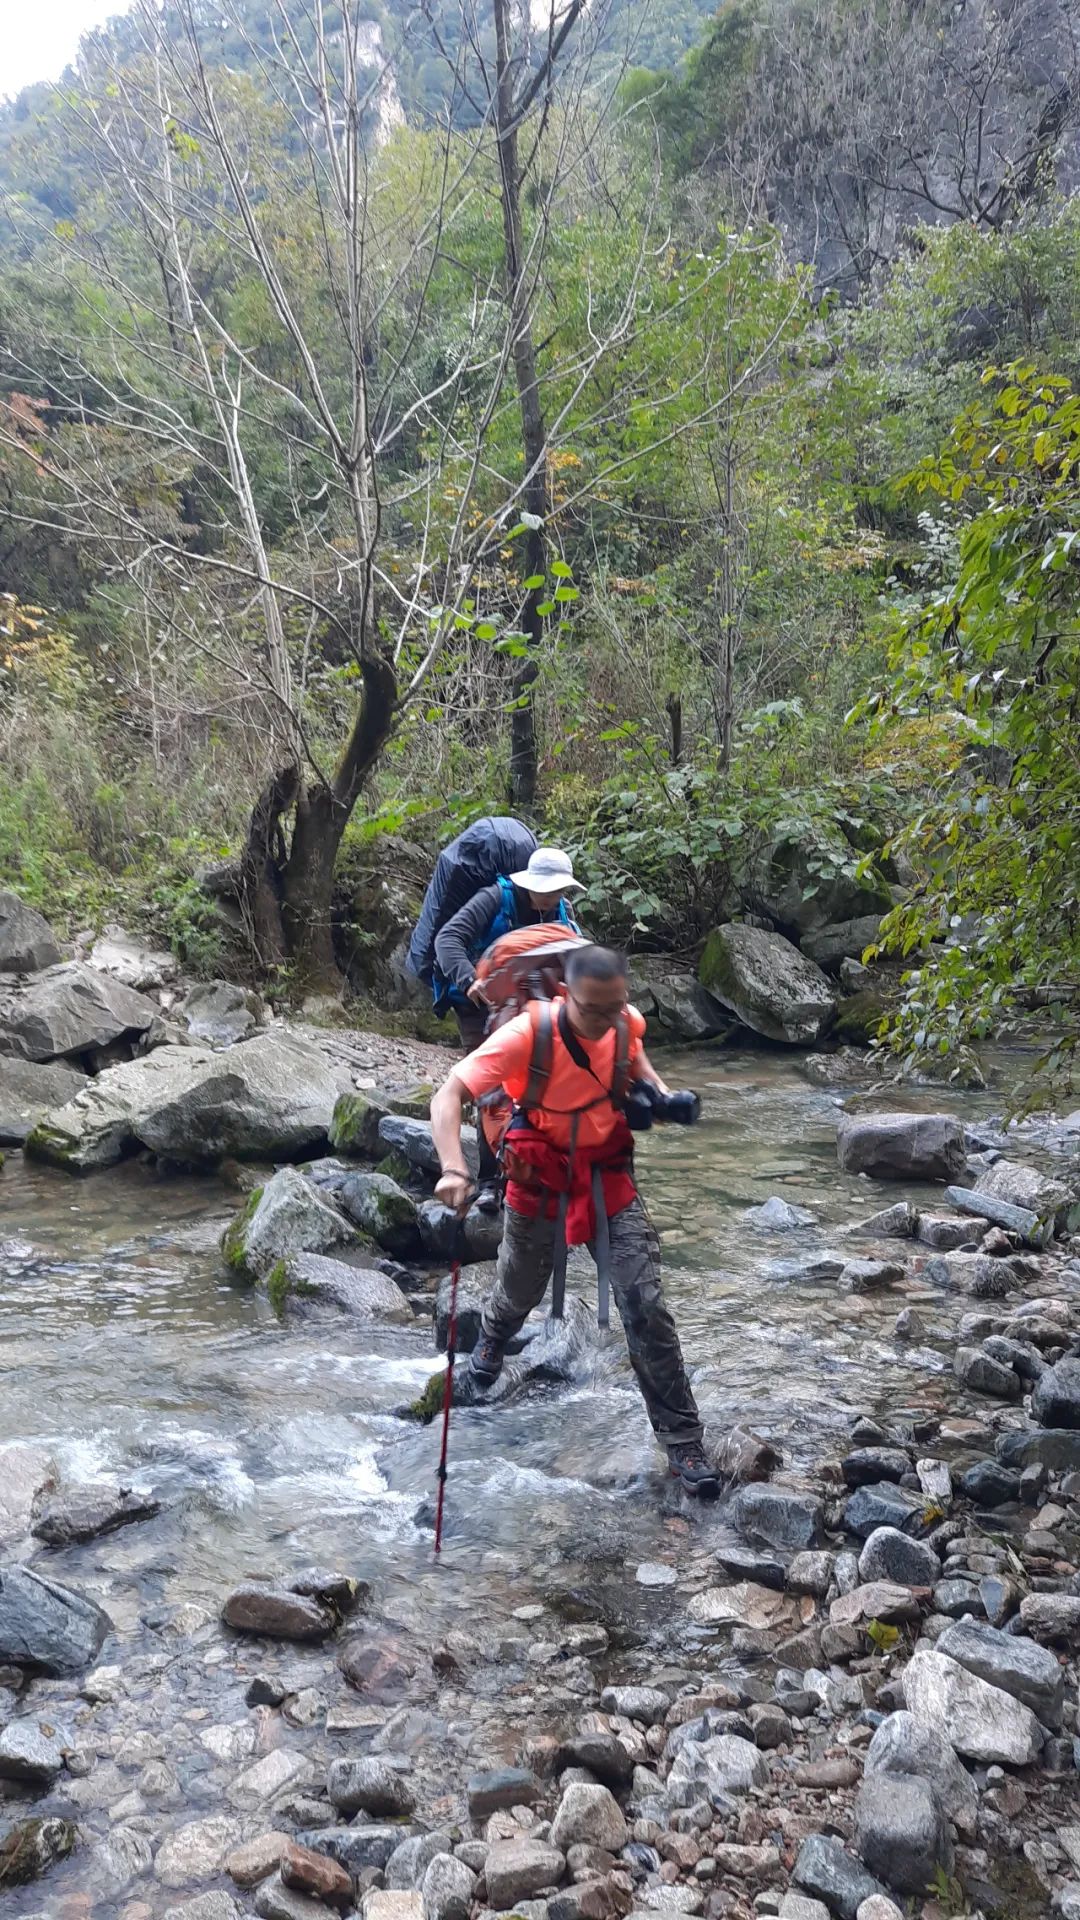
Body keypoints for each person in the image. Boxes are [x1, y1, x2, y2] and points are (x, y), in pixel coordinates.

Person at [429, 944, 718, 1496]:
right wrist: (452, 1167)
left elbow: (635, 1063)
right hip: (538, 1177)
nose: (608, 1021)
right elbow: (450, 1094)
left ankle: (682, 1441)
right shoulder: (527, 1037)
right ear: (567, 995)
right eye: (594, 1011)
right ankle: (493, 1335)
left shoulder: (622, 1022)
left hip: (607, 1177)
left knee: (645, 1303)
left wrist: (661, 1098)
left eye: (617, 1008)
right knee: (519, 1286)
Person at [435, 846, 585, 1210]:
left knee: (533, 1084)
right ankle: (489, 1181)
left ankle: (529, 1167)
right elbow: (447, 939)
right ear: (529, 882)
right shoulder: (493, 899)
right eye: (546, 889)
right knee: (490, 1088)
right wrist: (469, 979)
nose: (551, 897)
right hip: (478, 1003)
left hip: (533, 1006)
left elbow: (581, 955)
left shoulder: (562, 913)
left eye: (559, 890)